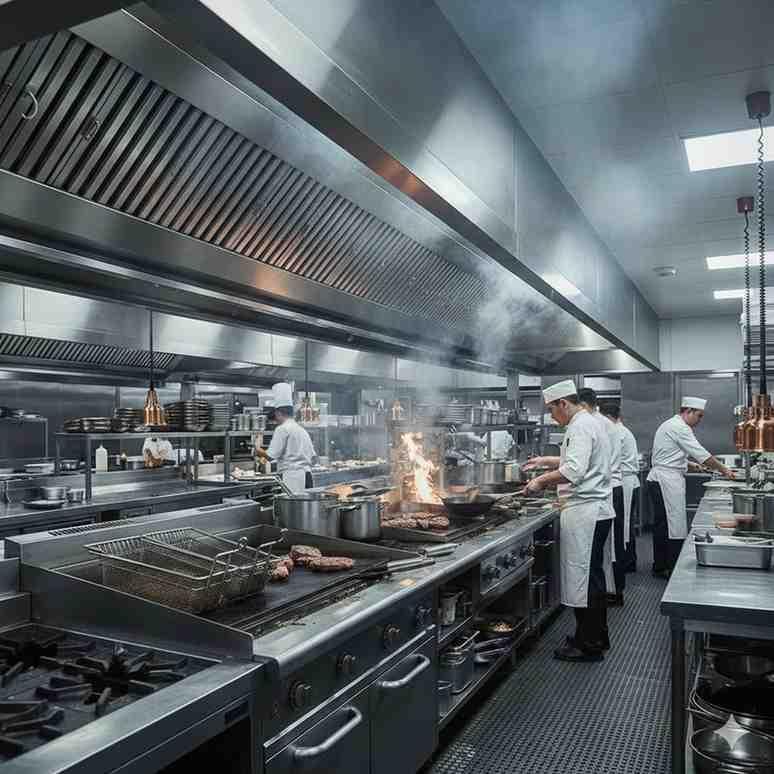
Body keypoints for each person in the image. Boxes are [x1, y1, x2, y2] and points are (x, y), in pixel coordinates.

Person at [523, 380, 612, 663]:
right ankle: (595, 636)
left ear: (564, 403)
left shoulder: (580, 426)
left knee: (584, 579)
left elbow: (574, 469)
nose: (552, 417)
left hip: (586, 511)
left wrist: (539, 482)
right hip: (594, 510)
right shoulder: (589, 422)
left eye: (552, 410)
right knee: (591, 577)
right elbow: (575, 459)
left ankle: (589, 645)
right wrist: (546, 462)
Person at [647, 398, 736, 577]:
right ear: (688, 411)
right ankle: (672, 568)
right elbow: (702, 454)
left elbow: (669, 455)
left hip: (661, 478)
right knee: (674, 525)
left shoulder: (671, 424)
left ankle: (660, 565)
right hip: (666, 481)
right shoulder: (680, 428)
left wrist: (690, 465)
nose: (700, 420)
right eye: (699, 416)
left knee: (663, 524)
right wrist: (725, 470)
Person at [256, 383, 317, 492]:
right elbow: (313, 459)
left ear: (278, 413)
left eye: (276, 414)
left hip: (292, 478)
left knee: (293, 503)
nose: (276, 418)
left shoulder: (282, 429)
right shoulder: (301, 429)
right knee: (306, 503)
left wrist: (257, 448)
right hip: (307, 476)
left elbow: (270, 456)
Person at [606, 403, 640, 573]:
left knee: (624, 525)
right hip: (627, 481)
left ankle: (626, 562)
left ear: (608, 417)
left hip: (624, 481)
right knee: (626, 524)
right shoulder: (622, 430)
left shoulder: (617, 431)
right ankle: (629, 560)